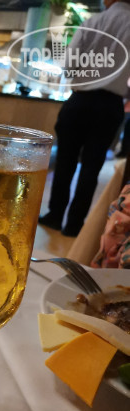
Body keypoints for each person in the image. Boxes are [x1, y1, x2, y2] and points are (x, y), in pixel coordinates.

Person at [39, 0, 130, 237]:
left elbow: (70, 64)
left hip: (80, 100)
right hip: (111, 106)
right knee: (92, 167)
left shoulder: (93, 22)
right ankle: (74, 225)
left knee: (65, 161)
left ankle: (55, 215)